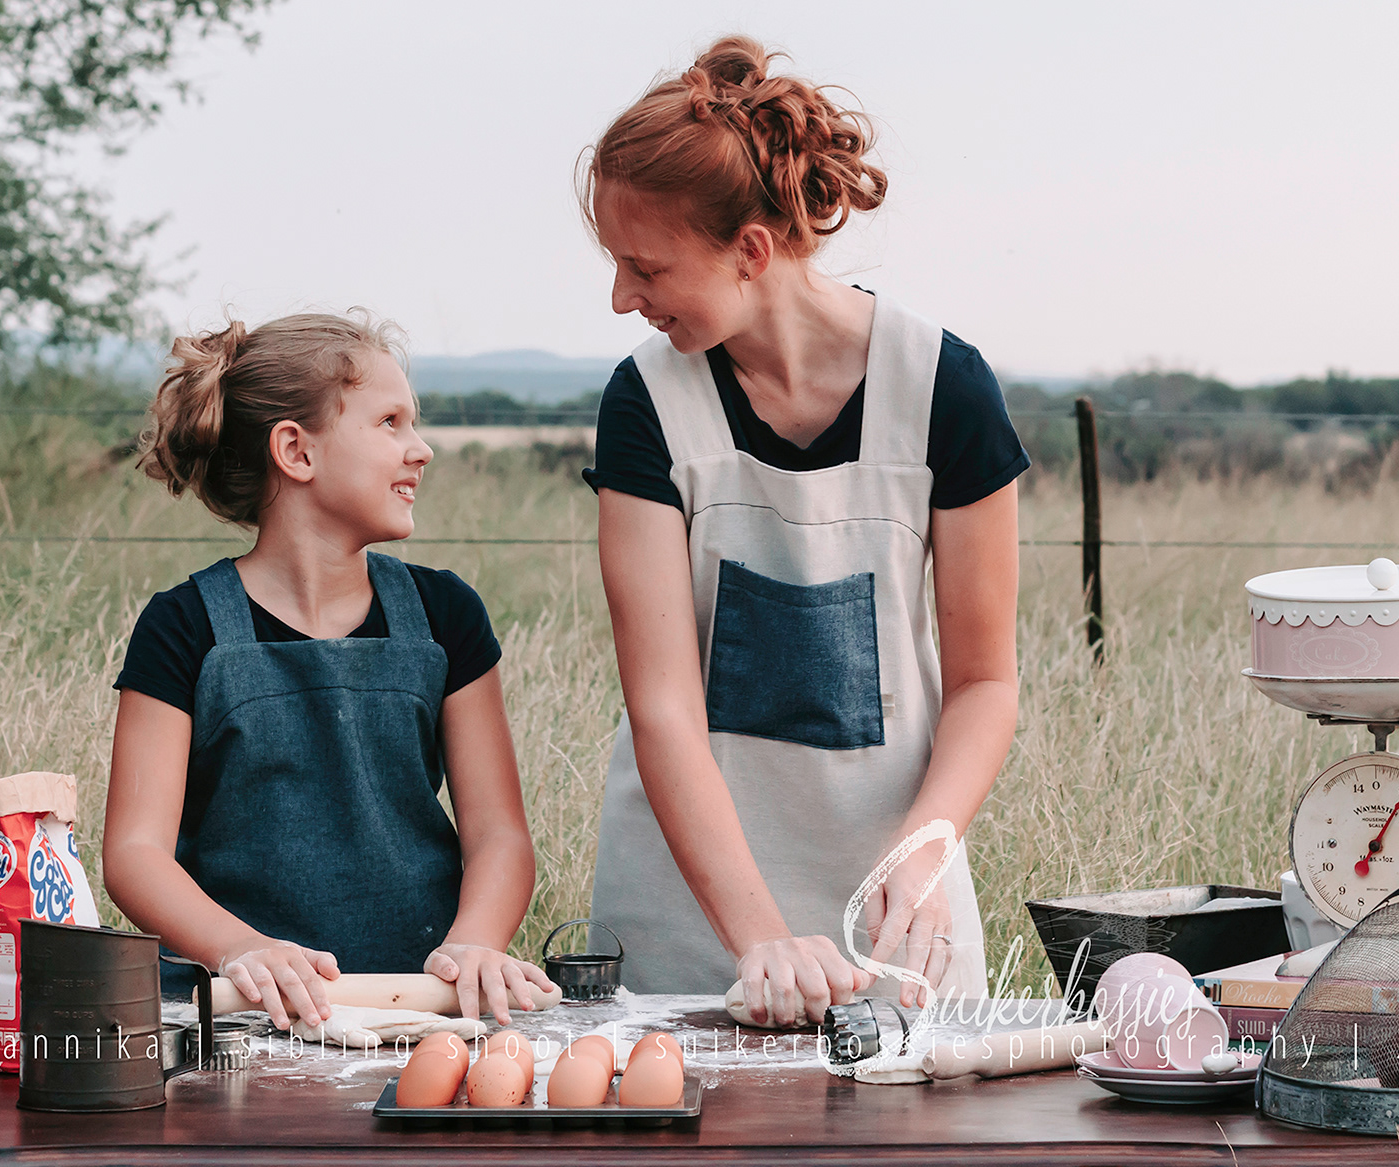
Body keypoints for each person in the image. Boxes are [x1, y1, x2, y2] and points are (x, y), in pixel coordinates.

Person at [581, 37, 1027, 1027]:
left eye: (642, 265)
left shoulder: (943, 389)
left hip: (898, 915)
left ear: (748, 249)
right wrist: (760, 937)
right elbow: (662, 706)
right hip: (690, 920)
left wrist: (923, 852)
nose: (621, 297)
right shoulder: (646, 404)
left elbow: (987, 682)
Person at [102, 312, 555, 1030]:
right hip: (243, 1019)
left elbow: (499, 834)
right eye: (391, 423)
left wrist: (472, 944)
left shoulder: (446, 616)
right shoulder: (182, 626)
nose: (422, 449)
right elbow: (134, 852)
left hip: (421, 1011)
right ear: (296, 451)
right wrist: (242, 950)